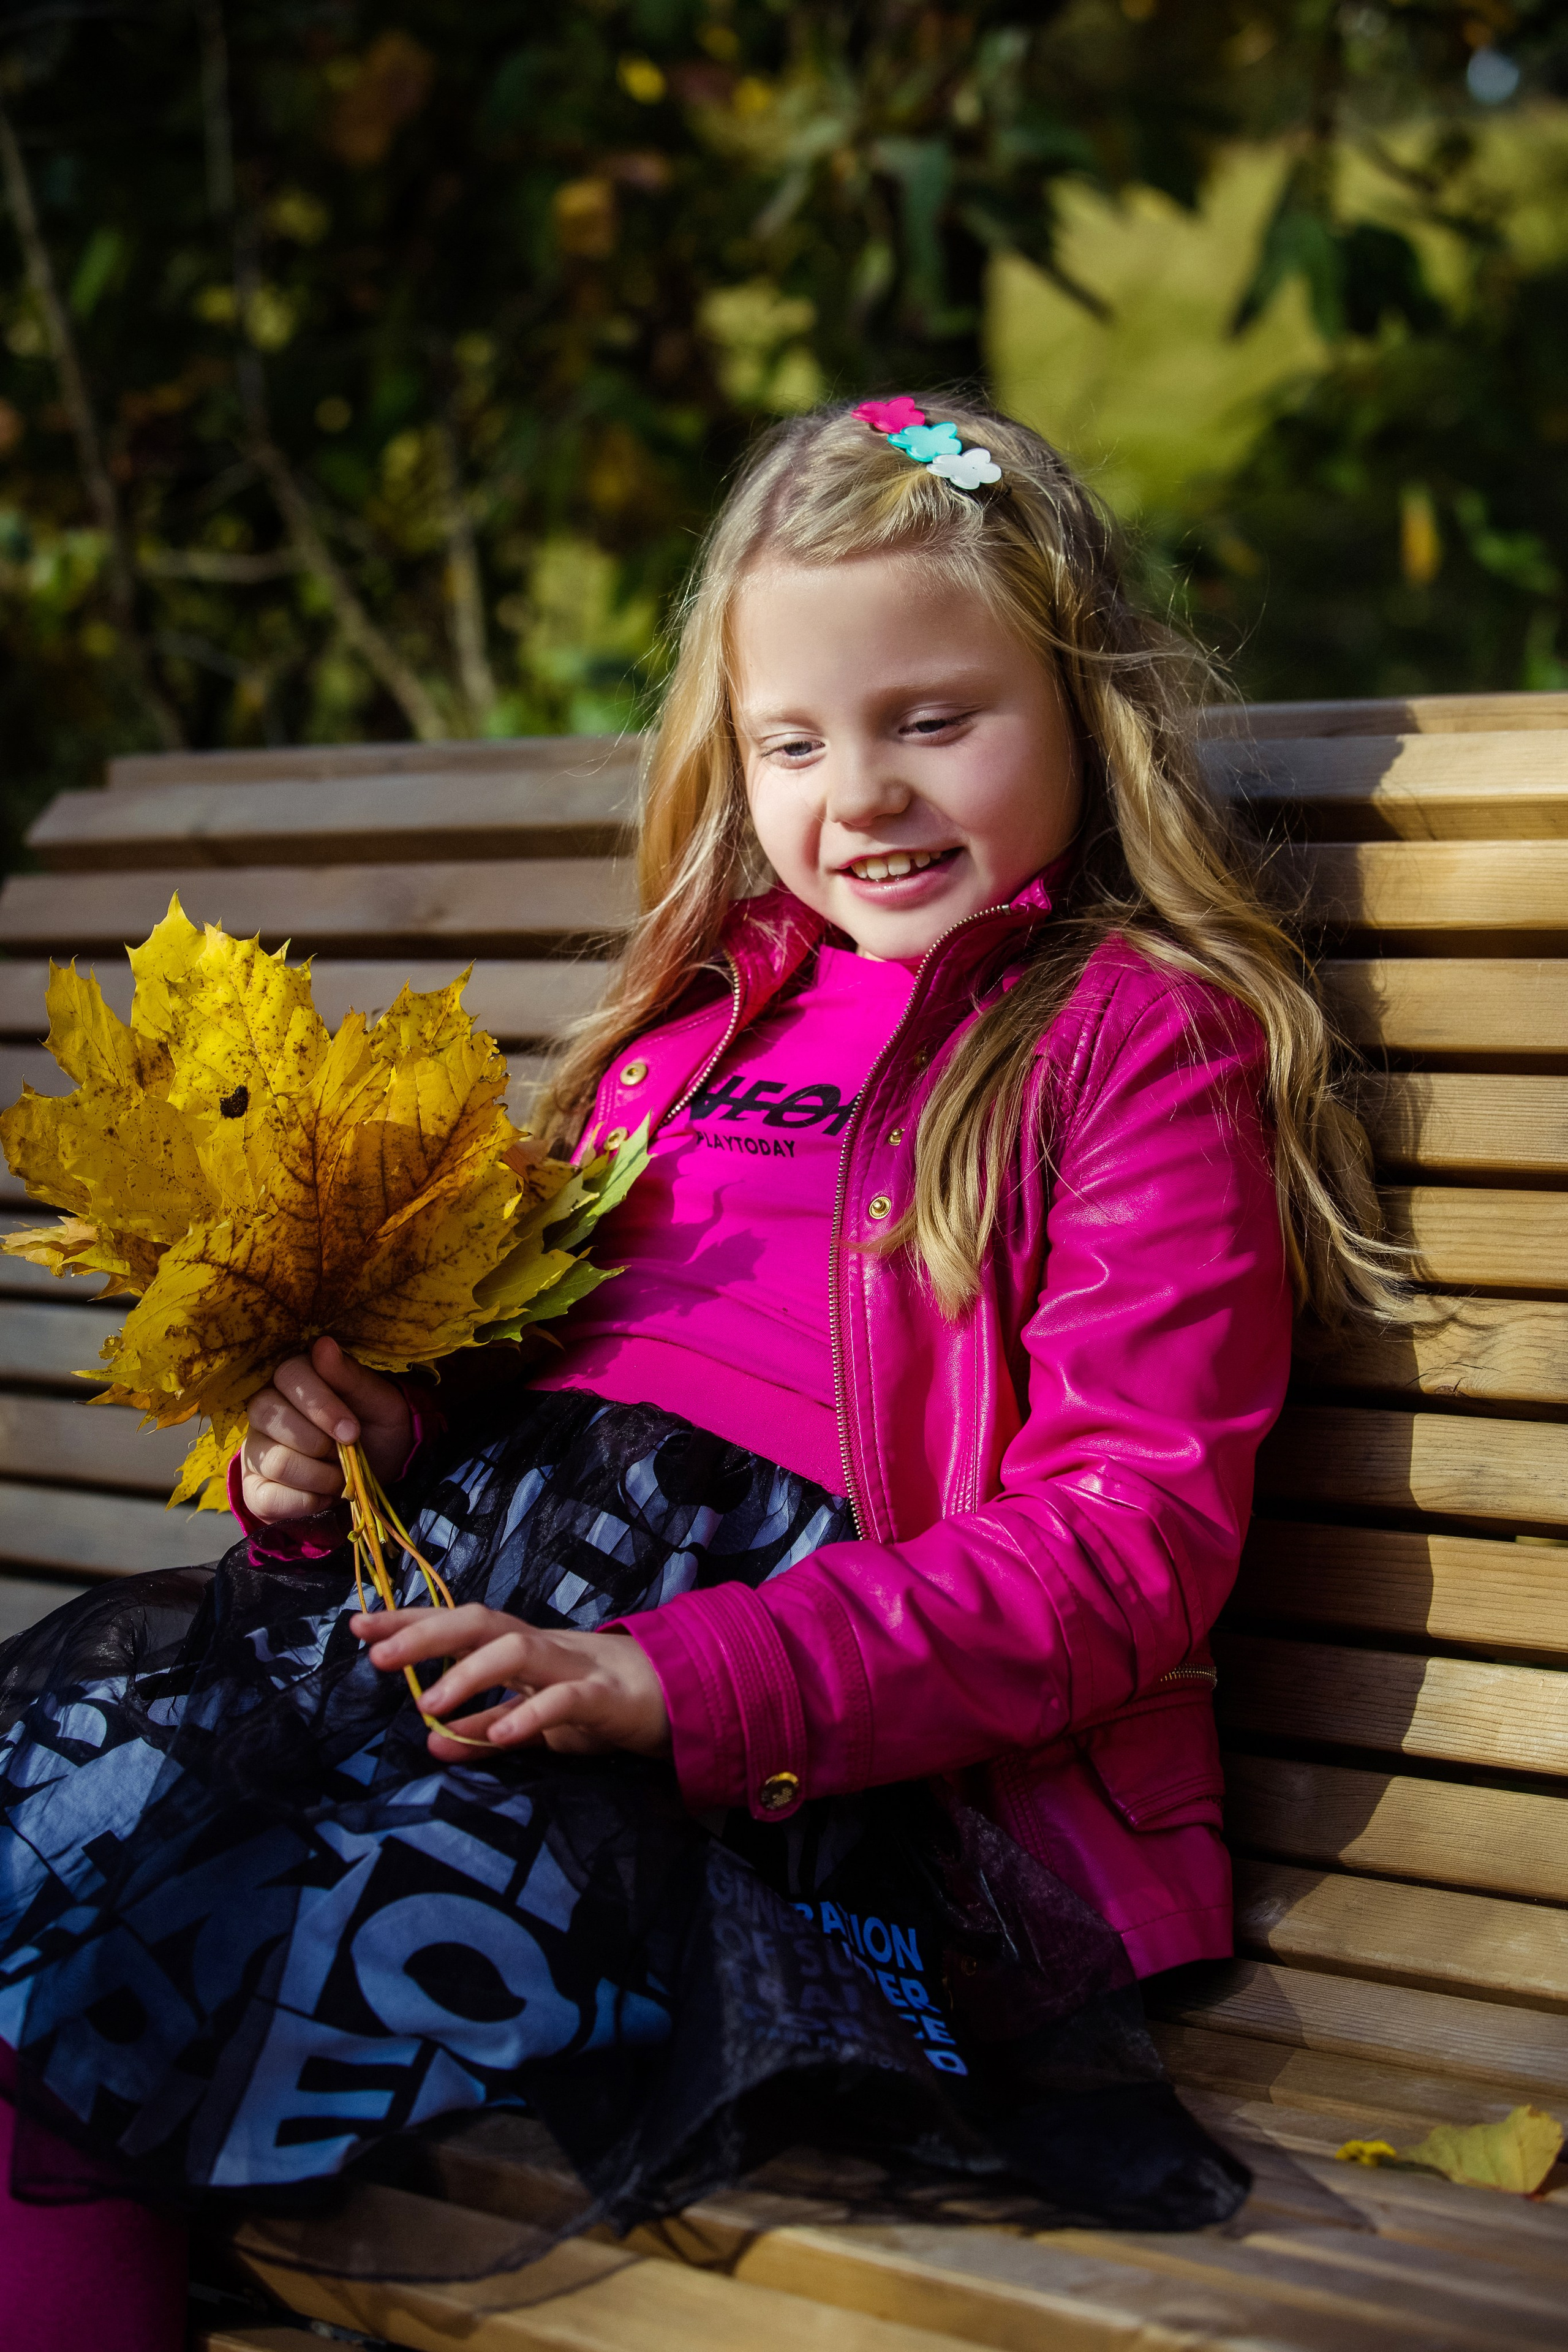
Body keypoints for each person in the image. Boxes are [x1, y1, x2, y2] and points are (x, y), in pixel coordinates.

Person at [0, 395, 1396, 2350]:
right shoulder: (692, 1022)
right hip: (484, 1672)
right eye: (793, 743)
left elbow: (1124, 1536)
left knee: (93, 2004)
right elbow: (533, 1401)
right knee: (50, 1922)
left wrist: (684, 1679)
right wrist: (361, 1461)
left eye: (934, 721)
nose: (864, 797)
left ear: (1082, 702)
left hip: (791, 1781)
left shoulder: (1125, 1039)